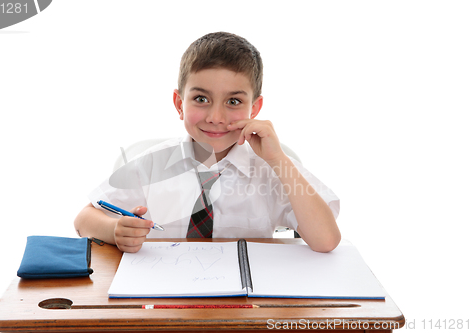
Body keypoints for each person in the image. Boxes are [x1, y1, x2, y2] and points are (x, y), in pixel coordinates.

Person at [74, 32, 341, 253]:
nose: (215, 117)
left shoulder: (271, 170)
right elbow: (84, 220)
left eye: (233, 102)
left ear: (254, 108)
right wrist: (115, 230)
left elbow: (326, 240)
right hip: (163, 300)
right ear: (180, 104)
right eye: (201, 99)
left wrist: (279, 160)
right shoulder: (152, 165)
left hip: (245, 308)